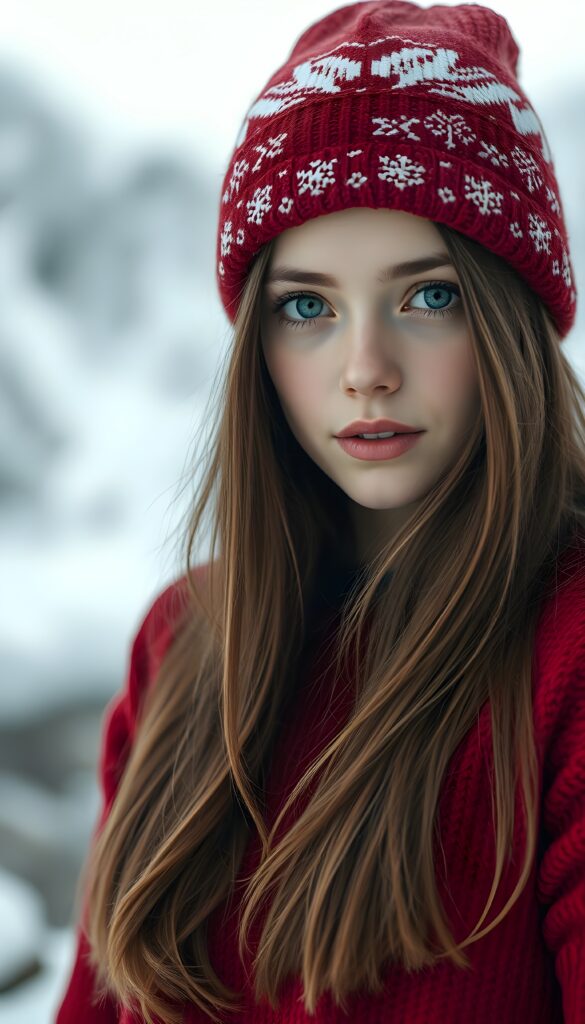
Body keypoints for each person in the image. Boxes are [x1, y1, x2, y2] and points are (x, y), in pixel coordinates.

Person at [55, 2, 585, 1022]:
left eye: (429, 296)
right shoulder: (186, 642)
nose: (365, 372)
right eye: (308, 306)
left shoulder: (566, 655)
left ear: (511, 315)